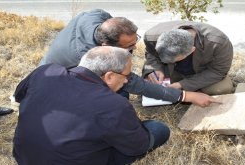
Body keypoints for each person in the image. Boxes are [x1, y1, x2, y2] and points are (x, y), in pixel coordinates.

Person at [13, 46, 170, 165]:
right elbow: (137, 147)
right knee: (158, 129)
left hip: (24, 157)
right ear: (109, 76)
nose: (126, 81)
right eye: (126, 75)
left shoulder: (44, 71)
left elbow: (19, 96)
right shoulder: (114, 105)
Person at [39, 9, 216, 107]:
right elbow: (134, 83)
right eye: (128, 47)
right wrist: (185, 96)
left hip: (59, 62)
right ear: (106, 47)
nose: (135, 47)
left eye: (135, 39)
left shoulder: (96, 16)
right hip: (55, 78)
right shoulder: (89, 58)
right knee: (117, 100)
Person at [142, 21, 234, 95]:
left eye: (174, 59)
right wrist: (156, 69)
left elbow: (218, 71)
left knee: (221, 89)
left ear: (191, 50)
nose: (167, 61)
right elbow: (150, 54)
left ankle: (190, 91)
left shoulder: (218, 43)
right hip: (170, 70)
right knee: (149, 84)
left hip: (201, 73)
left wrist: (182, 85)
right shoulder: (151, 36)